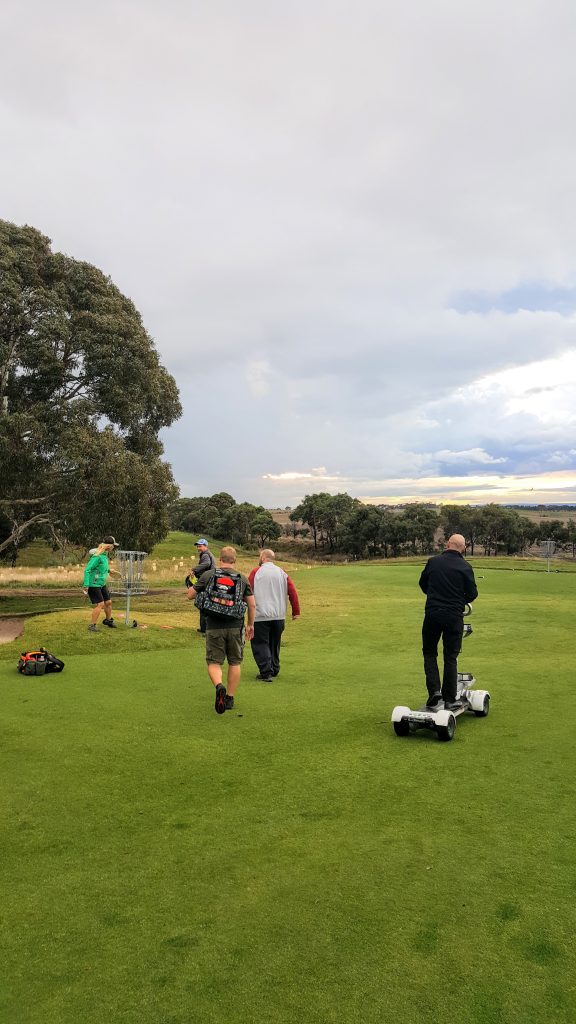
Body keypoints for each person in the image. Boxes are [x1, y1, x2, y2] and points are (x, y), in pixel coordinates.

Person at [186, 546, 255, 714]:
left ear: (220, 558)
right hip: (235, 625)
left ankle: (219, 686)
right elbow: (252, 604)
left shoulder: (209, 575)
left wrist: (194, 583)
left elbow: (190, 595)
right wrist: (250, 624)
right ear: (235, 560)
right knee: (235, 662)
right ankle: (230, 697)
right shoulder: (242, 579)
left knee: (214, 662)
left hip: (214, 626)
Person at [419, 534, 478, 709]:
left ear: (447, 545)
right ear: (464, 548)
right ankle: (450, 699)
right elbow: (473, 594)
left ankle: (434, 692)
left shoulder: (433, 562)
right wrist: (459, 600)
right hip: (454, 615)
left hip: (433, 613)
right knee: (450, 657)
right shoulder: (465, 566)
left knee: (430, 652)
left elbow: (423, 584)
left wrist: (435, 595)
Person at [248, 549, 300, 682]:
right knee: (274, 642)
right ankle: (274, 668)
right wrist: (296, 611)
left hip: (261, 615)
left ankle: (266, 671)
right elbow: (292, 591)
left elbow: (247, 591)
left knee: (260, 643)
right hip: (278, 615)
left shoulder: (256, 572)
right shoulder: (282, 573)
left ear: (263, 557)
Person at [83, 536, 121, 632]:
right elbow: (87, 570)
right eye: (113, 545)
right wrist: (86, 585)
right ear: (109, 546)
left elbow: (100, 568)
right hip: (93, 584)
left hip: (102, 583)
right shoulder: (97, 556)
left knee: (108, 602)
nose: (113, 547)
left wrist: (109, 570)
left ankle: (108, 621)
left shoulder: (105, 555)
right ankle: (92, 625)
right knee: (100, 604)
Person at [188, 538, 216, 634]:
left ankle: (205, 629)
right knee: (206, 603)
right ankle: (204, 628)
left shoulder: (205, 555)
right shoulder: (208, 554)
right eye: (197, 546)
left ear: (205, 546)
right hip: (210, 581)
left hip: (207, 582)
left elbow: (207, 563)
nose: (198, 548)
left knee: (203, 603)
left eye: (200, 546)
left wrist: (194, 570)